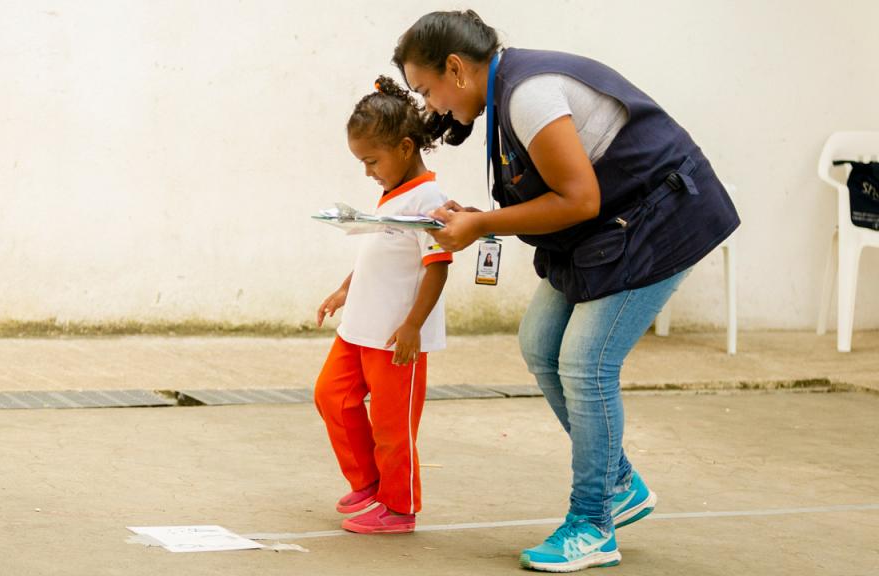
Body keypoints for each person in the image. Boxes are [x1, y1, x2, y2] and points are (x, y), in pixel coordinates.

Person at [392, 9, 739, 572]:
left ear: (456, 69)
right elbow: (563, 196)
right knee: (539, 342)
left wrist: (479, 227)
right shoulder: (504, 94)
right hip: (610, 229)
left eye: (428, 90)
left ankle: (592, 525)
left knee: (585, 362)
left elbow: (579, 200)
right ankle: (619, 484)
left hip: (663, 220)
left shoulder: (528, 95)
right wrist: (481, 217)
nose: (433, 107)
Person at [313, 75, 454, 535]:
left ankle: (399, 508)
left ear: (406, 147)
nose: (368, 171)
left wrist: (414, 325)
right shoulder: (393, 193)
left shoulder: (429, 200)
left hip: (397, 337)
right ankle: (371, 484)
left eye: (372, 161)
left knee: (393, 428)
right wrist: (344, 289)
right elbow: (380, 254)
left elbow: (437, 265)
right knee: (332, 395)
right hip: (360, 327)